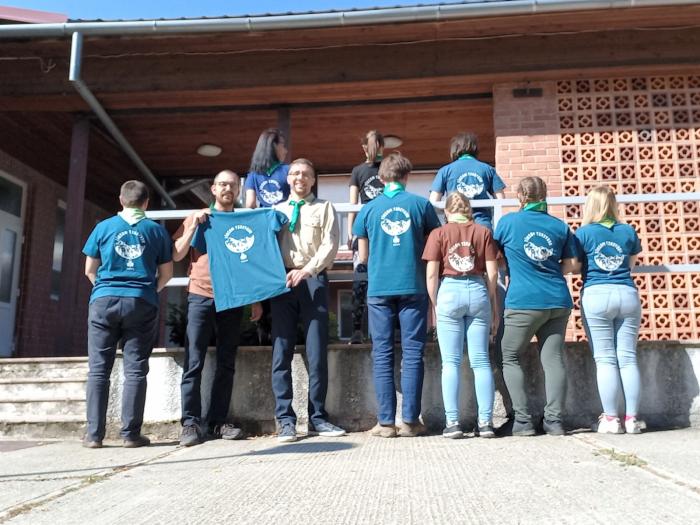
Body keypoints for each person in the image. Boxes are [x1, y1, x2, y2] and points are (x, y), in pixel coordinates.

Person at [353, 152, 441, 438]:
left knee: (382, 353)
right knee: (413, 353)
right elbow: (434, 243)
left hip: (379, 288)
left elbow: (362, 256)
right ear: (407, 177)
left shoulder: (368, 209)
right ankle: (411, 421)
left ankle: (385, 422)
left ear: (381, 179)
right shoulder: (421, 204)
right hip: (413, 285)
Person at [173, 170, 263, 447]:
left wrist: (255, 299)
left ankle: (217, 421)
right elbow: (176, 253)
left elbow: (249, 263)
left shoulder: (241, 221)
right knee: (194, 361)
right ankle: (190, 423)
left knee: (226, 362)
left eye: (232, 185)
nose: (227, 189)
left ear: (238, 190)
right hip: (200, 294)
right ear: (213, 189)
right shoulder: (198, 217)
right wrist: (192, 225)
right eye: (222, 184)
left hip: (233, 298)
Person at [82, 180, 173, 448]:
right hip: (141, 301)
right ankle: (131, 434)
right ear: (146, 203)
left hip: (104, 300)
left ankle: (94, 435)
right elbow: (167, 274)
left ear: (121, 200)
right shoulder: (156, 231)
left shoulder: (103, 227)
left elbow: (89, 270)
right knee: (135, 370)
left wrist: (104, 290)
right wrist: (148, 291)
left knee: (99, 370)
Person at [493, 176, 578, 436]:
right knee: (553, 360)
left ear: (520, 196)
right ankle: (554, 421)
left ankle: (522, 421)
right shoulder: (559, 226)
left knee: (507, 356)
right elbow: (572, 264)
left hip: (523, 301)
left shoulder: (508, 222)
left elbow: (494, 256)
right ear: (544, 195)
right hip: (557, 300)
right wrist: (548, 271)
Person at [271, 158, 345, 442]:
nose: (300, 177)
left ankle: (317, 418)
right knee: (281, 351)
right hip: (282, 281)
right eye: (295, 173)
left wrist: (308, 270)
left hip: (313, 278)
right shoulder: (276, 211)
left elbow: (330, 243)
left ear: (313, 180)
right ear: (288, 179)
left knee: (316, 353)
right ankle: (285, 420)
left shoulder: (324, 208)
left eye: (306, 174)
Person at [423, 193, 500, 439]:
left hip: (449, 290)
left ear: (447, 212)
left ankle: (453, 422)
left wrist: (435, 304)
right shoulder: (483, 232)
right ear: (469, 210)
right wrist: (491, 301)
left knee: (450, 362)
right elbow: (493, 273)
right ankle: (486, 422)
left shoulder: (438, 234)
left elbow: (431, 274)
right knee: (481, 361)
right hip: (477, 288)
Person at [574, 185, 643, 434]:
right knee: (628, 358)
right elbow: (631, 264)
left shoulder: (583, 233)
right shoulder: (628, 231)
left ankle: (611, 419)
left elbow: (575, 266)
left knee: (605, 359)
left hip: (596, 293)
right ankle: (632, 419)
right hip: (627, 293)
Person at [347, 130, 385, 344]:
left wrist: (350, 231)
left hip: (364, 230)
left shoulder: (358, 171)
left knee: (360, 280)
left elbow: (352, 203)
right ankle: (386, 331)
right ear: (382, 147)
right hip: (380, 230)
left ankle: (357, 330)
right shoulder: (386, 167)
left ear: (364, 147)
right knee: (380, 278)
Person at [429, 131, 506, 230]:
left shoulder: (445, 171)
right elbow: (501, 200)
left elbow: (433, 201)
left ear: (455, 149)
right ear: (475, 148)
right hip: (482, 226)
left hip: (454, 226)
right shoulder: (488, 169)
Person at [244, 128, 290, 208]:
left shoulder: (252, 175)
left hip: (265, 215)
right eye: (283, 145)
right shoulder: (288, 170)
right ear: (274, 145)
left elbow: (250, 204)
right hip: (285, 214)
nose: (286, 151)